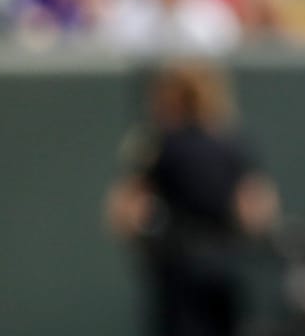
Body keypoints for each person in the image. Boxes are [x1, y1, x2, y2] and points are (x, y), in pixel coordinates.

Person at [104, 58, 282, 336]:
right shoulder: (231, 143)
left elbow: (128, 210)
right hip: (226, 264)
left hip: (178, 268)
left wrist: (142, 237)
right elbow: (255, 210)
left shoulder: (156, 144)